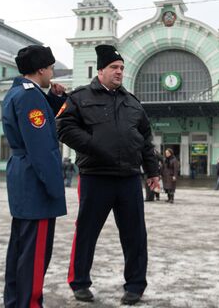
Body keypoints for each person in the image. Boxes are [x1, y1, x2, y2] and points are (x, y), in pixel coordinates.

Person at [57, 44, 160, 305]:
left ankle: (135, 286)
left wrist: (152, 171)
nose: (119, 72)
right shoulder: (79, 98)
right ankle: (80, 282)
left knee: (135, 235)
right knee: (87, 233)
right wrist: (93, 145)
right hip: (95, 176)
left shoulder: (133, 103)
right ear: (100, 70)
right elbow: (64, 127)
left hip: (128, 178)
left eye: (122, 68)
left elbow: (146, 140)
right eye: (114, 67)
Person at [2, 45, 68, 308]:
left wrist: (53, 99)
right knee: (35, 253)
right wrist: (55, 186)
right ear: (41, 69)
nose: (52, 73)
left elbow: (35, 124)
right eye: (51, 68)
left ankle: (16, 301)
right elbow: (41, 146)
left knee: (21, 248)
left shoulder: (19, 92)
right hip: (35, 180)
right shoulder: (30, 97)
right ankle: (29, 303)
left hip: (23, 175)